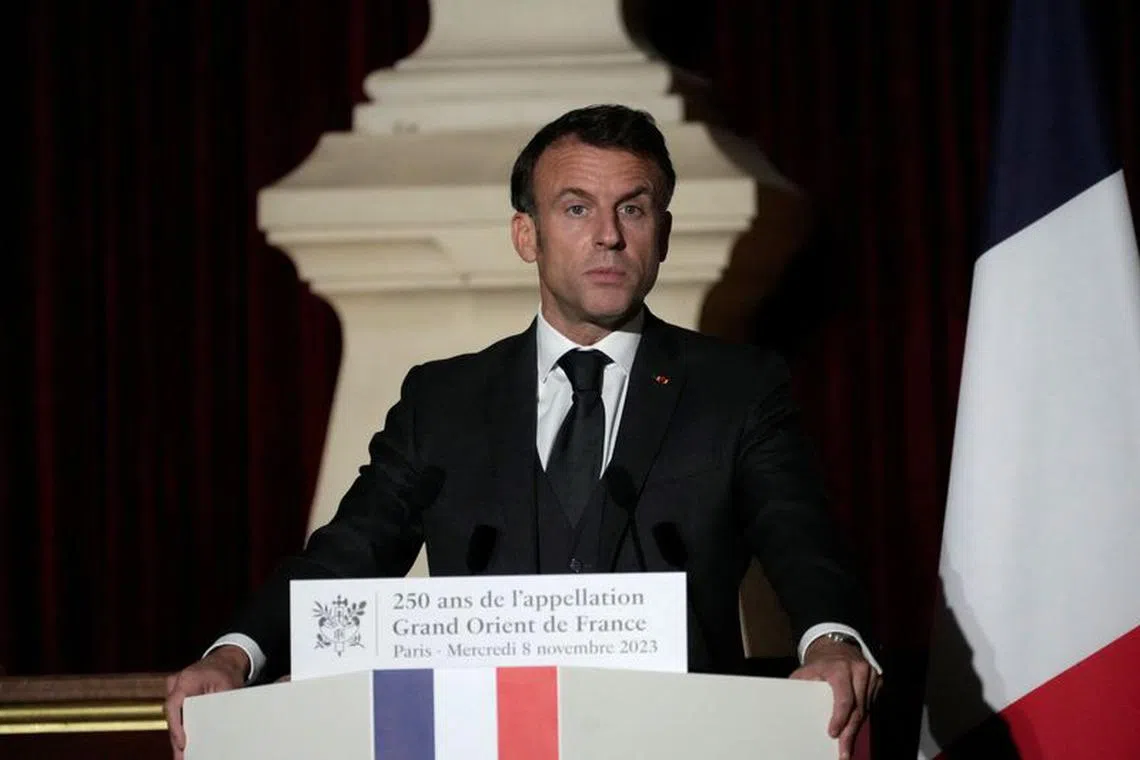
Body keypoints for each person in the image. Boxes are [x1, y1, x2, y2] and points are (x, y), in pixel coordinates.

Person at [165, 104, 881, 759]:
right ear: (525, 234)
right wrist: (236, 654)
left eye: (632, 208)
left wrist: (833, 638)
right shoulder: (443, 400)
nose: (608, 235)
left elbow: (800, 538)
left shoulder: (736, 390)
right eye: (577, 208)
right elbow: (351, 551)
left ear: (661, 233)